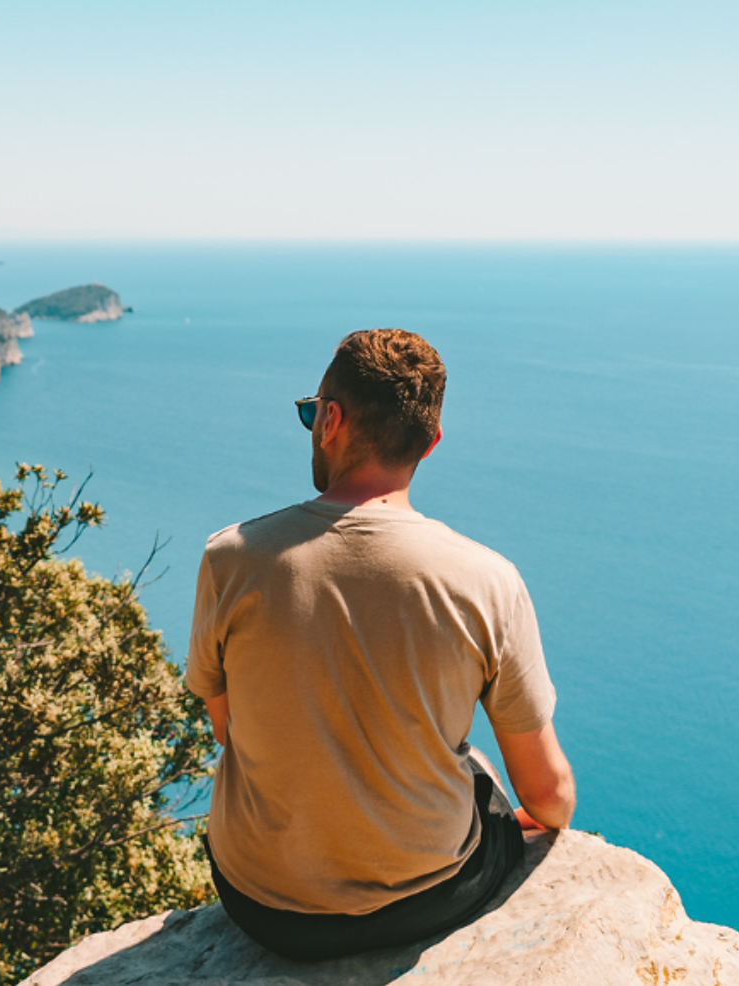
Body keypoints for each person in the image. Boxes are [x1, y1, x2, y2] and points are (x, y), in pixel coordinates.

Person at [185, 328, 577, 961]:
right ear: (432, 442)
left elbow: (228, 730)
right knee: (478, 769)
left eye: (311, 413)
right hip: (427, 898)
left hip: (259, 903)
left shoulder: (231, 557)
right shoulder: (486, 580)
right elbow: (549, 800)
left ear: (331, 420)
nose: (313, 426)